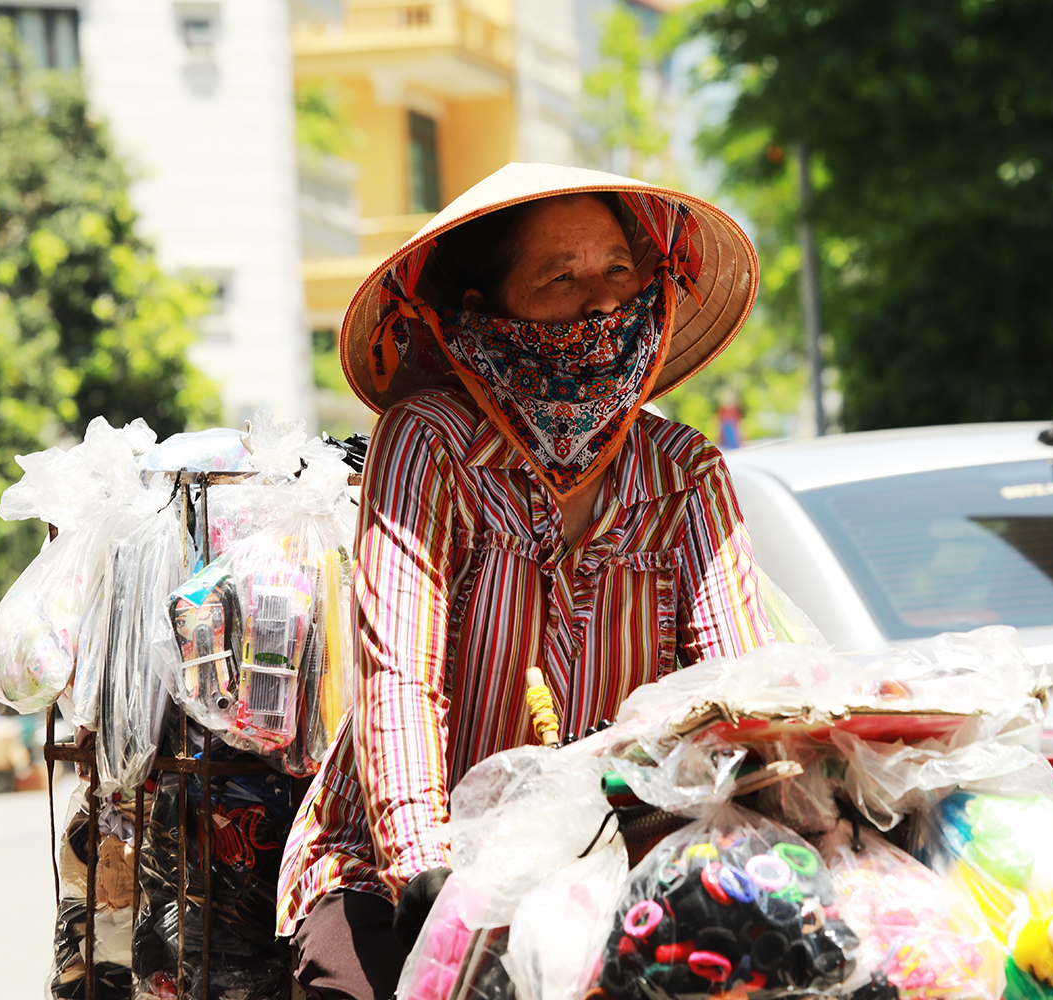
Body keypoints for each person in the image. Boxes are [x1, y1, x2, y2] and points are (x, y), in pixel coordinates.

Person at [276, 163, 774, 1000]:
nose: (602, 305)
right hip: (408, 861)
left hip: (618, 857)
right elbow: (402, 677)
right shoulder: (428, 444)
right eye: (560, 278)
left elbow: (740, 691)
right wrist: (423, 868)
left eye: (619, 271)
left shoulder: (685, 472)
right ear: (483, 316)